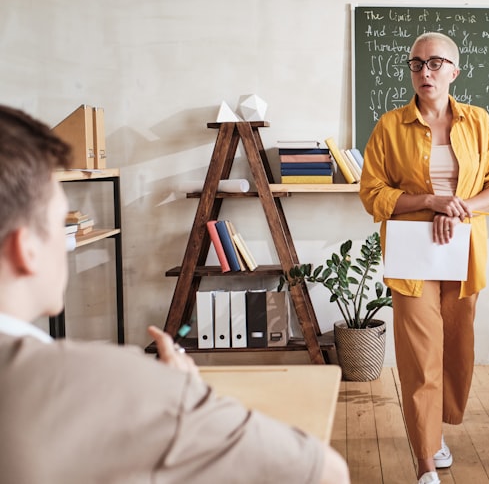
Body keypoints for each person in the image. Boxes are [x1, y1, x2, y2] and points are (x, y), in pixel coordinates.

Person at [0, 105, 350, 484]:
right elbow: (325, 473)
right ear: (26, 249)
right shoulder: (107, 384)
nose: (68, 247)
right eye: (61, 225)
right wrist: (184, 399)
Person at [359, 32, 489, 484]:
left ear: (454, 71)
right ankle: (426, 462)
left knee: (456, 352)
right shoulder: (389, 126)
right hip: (412, 256)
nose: (425, 72)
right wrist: (431, 201)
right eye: (416, 64)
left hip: (463, 253)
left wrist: (459, 206)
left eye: (435, 63)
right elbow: (372, 194)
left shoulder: (479, 122)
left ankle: (435, 432)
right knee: (419, 355)